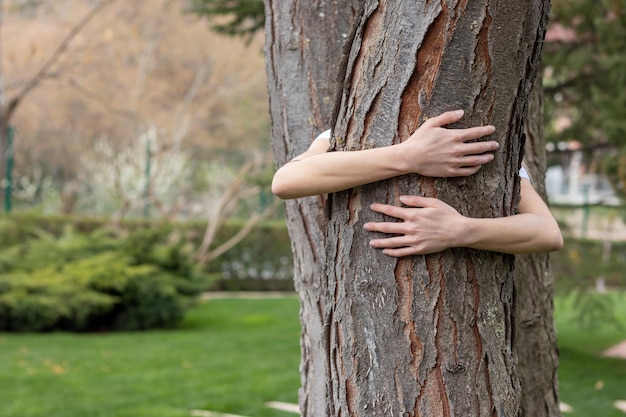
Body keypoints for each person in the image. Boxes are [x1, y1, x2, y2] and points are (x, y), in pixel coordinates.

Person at [271, 110, 563, 255]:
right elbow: (287, 180)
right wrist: (409, 157)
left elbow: (547, 232)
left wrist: (461, 230)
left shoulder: (472, 146)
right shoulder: (344, 134)